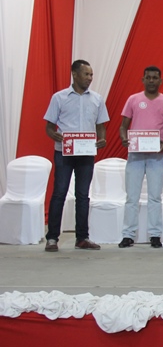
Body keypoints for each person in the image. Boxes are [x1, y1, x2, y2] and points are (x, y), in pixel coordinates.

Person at [43, 60, 109, 252]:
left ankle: (82, 238)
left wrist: (102, 139)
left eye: (91, 75)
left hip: (86, 153)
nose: (89, 78)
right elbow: (49, 126)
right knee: (59, 193)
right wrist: (54, 134)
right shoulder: (59, 98)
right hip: (64, 152)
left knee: (83, 195)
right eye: (86, 74)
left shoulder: (97, 99)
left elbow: (100, 125)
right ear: (74, 74)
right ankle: (52, 238)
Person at [119, 66, 163, 249]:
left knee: (155, 197)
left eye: (155, 78)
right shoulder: (133, 99)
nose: (151, 80)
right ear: (143, 80)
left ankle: (155, 235)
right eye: (148, 77)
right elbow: (123, 126)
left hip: (157, 157)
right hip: (135, 155)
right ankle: (128, 235)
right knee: (132, 197)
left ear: (160, 81)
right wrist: (124, 138)